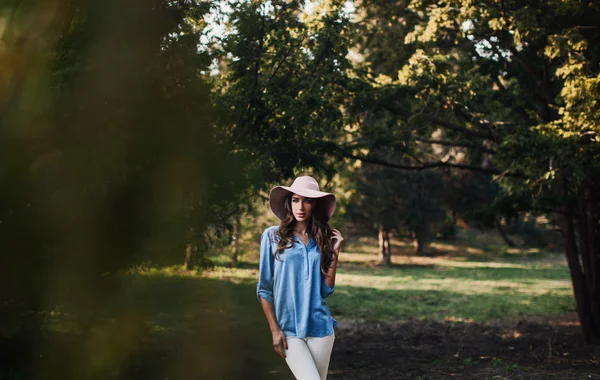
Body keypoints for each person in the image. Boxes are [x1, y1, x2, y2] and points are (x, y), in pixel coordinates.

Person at [256, 175, 343, 380]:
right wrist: (274, 330)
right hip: (288, 330)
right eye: (296, 200)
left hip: (321, 329)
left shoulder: (322, 240)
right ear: (289, 203)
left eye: (307, 200)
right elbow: (264, 288)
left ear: (315, 205)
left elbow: (325, 290)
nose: (300, 206)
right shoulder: (272, 237)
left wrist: (335, 255)